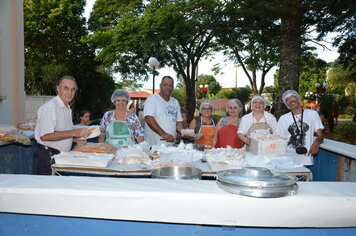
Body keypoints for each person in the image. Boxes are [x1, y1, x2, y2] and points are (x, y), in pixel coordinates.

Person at [33, 76, 91, 175]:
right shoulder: (50, 107)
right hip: (47, 158)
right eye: (66, 88)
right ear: (58, 89)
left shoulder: (66, 108)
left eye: (73, 89)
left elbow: (61, 132)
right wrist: (74, 132)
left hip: (59, 158)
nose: (70, 93)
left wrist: (74, 139)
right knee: (48, 190)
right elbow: (45, 136)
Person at [275, 90, 324, 165]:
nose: (290, 100)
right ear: (286, 104)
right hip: (288, 159)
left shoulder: (313, 114)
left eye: (292, 97)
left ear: (298, 98)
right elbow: (278, 138)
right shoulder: (283, 118)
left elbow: (320, 135)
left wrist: (317, 142)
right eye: (287, 100)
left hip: (306, 158)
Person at [143, 76, 183, 146]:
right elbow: (149, 119)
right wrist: (164, 135)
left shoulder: (175, 102)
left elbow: (179, 122)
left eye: (171, 85)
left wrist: (183, 133)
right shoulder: (152, 98)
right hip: (155, 146)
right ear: (160, 86)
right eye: (165, 85)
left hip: (171, 145)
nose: (168, 87)